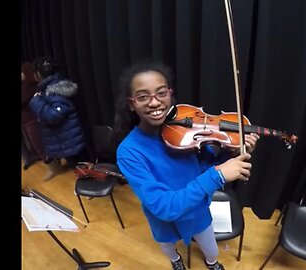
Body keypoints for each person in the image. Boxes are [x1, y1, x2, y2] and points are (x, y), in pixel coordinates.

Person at [114, 61, 260, 270]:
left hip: (196, 210)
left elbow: (206, 167)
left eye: (161, 93)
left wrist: (232, 152)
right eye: (143, 96)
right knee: (168, 246)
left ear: (170, 94)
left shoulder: (185, 129)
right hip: (163, 219)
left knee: (211, 250)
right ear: (131, 103)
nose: (154, 103)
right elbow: (163, 206)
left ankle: (212, 263)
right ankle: (176, 261)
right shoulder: (128, 152)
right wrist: (217, 176)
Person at [29, 56, 87, 180]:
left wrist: (36, 101)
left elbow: (55, 115)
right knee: (75, 163)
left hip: (69, 138)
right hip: (65, 138)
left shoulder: (54, 90)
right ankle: (85, 180)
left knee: (80, 164)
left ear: (39, 73)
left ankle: (90, 184)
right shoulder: (48, 87)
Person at [21, 62, 44, 170]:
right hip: (26, 120)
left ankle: (51, 165)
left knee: (38, 143)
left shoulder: (28, 84)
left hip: (31, 118)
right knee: (34, 143)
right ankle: (31, 158)